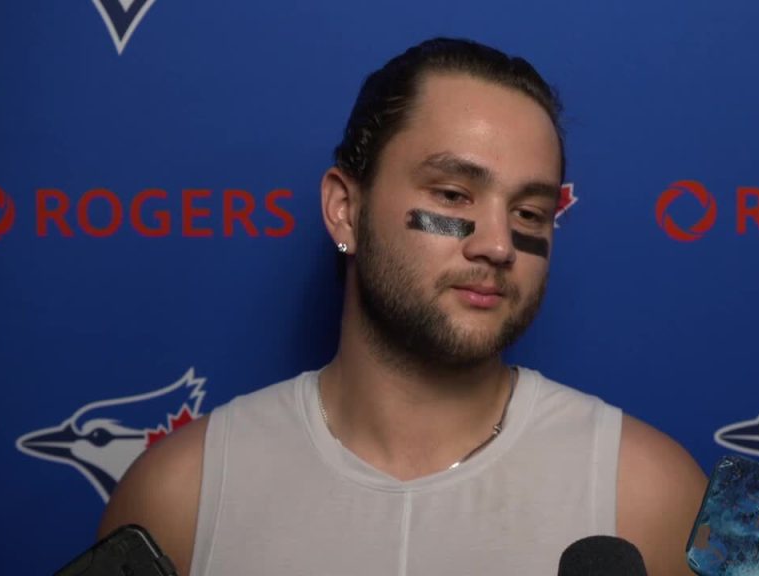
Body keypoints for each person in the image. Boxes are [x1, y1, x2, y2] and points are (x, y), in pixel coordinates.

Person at [98, 37, 707, 575]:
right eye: (453, 193)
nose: (497, 244)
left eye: (529, 213)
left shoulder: (650, 494)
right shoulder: (179, 497)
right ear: (344, 210)